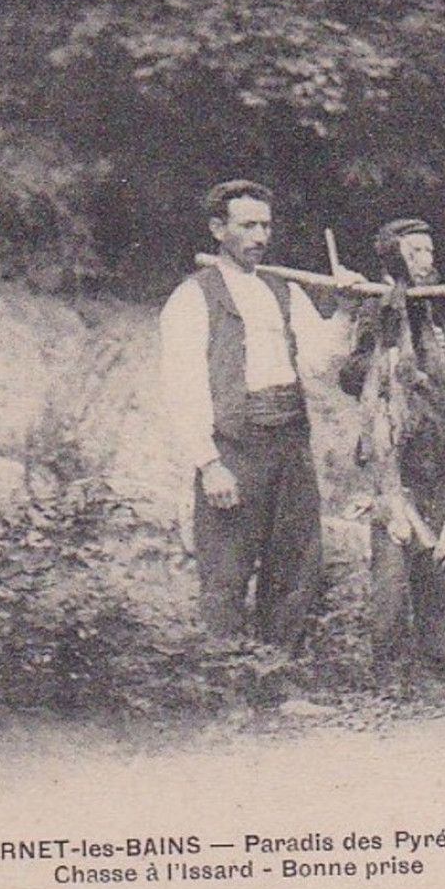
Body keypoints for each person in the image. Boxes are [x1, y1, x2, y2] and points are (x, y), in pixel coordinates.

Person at [157, 179, 360, 653]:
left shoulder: (283, 291)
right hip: (235, 448)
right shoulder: (193, 298)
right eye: (247, 225)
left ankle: (277, 675)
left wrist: (347, 310)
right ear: (218, 230)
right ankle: (224, 684)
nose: (260, 237)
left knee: (295, 566)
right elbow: (181, 387)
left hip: (290, 442)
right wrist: (209, 464)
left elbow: (320, 364)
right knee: (226, 569)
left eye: (265, 225)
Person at [338, 218, 445, 674]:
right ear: (394, 257)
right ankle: (389, 665)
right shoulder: (375, 309)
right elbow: (351, 377)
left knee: (438, 556)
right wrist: (381, 342)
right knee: (392, 561)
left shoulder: (430, 314)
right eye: (416, 252)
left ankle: (442, 656)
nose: (427, 261)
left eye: (430, 252)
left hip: (434, 454)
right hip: (392, 456)